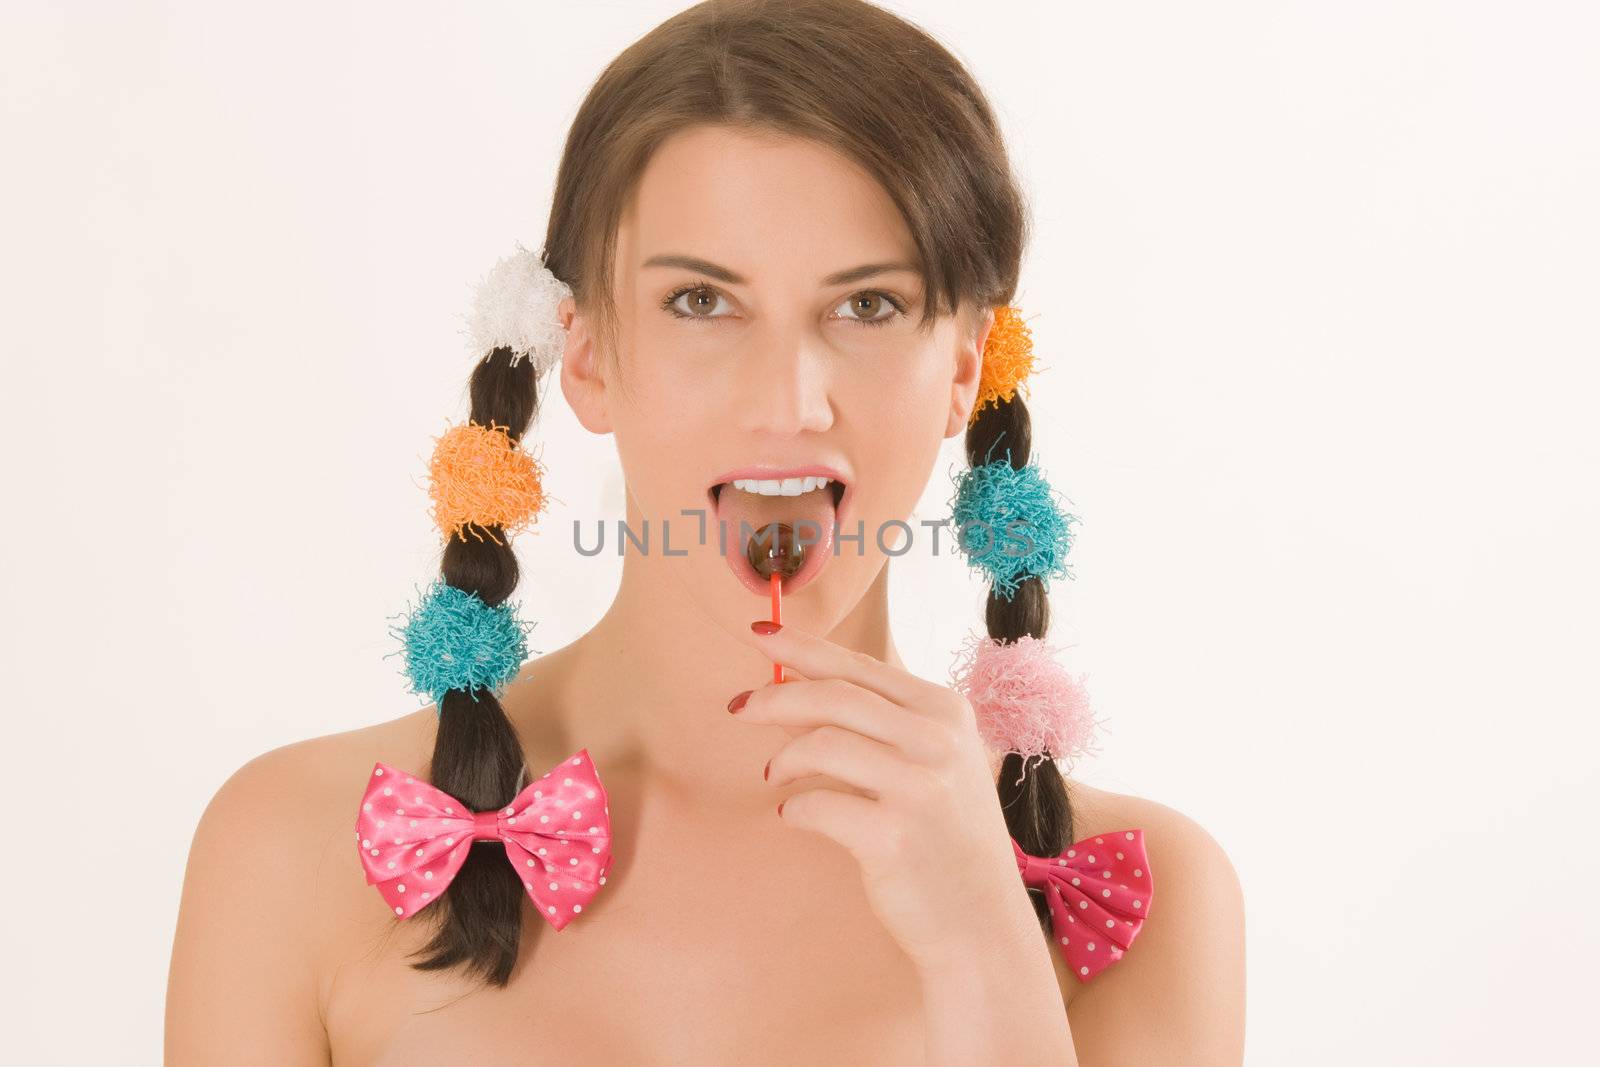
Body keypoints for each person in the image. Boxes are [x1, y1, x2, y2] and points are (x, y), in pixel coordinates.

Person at [165, 1, 1245, 1063]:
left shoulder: (1146, 900)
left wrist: (983, 952)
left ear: (964, 364)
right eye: (700, 301)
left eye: (865, 305)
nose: (789, 399)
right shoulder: (290, 850)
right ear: (583, 352)